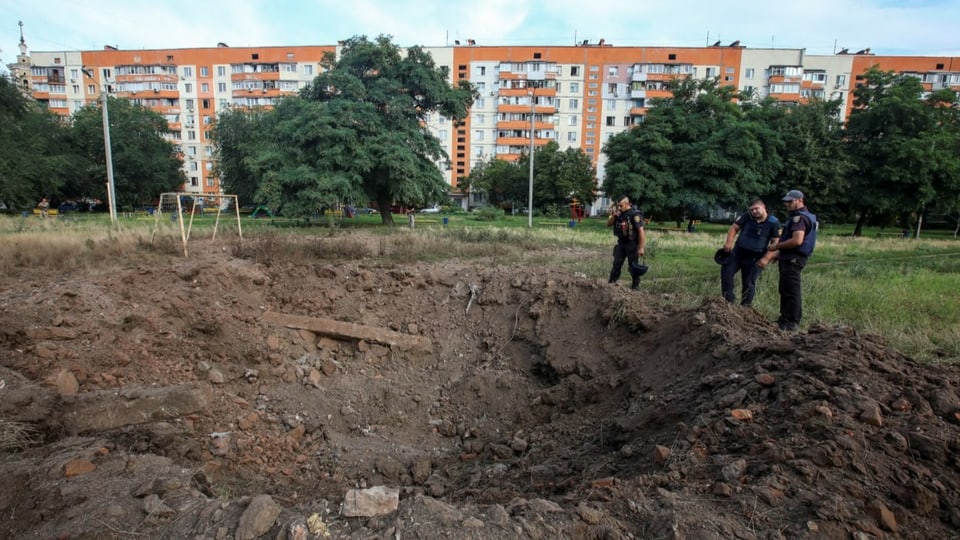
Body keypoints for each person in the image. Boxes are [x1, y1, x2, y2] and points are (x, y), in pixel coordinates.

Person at [758, 190, 817, 332]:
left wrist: (776, 247)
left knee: (791, 290)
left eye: (790, 201)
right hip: (790, 257)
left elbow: (797, 240)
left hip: (793, 258)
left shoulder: (799, 219)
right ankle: (784, 319)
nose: (787, 204)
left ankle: (790, 322)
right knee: (785, 289)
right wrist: (779, 253)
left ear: (800, 200)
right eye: (786, 201)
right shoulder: (807, 216)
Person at [719, 198, 781, 306]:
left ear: (764, 207)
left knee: (748, 283)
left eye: (756, 209)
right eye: (752, 210)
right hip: (737, 253)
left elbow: (775, 243)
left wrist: (766, 258)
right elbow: (734, 228)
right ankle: (728, 303)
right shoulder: (746, 217)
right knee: (726, 274)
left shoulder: (773, 222)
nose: (754, 212)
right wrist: (729, 242)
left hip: (755, 258)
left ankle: (745, 308)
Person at [607, 195, 646, 290]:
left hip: (632, 244)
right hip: (621, 243)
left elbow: (641, 231)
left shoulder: (635, 214)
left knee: (633, 266)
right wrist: (615, 215)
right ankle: (611, 284)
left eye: (621, 206)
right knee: (616, 264)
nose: (619, 208)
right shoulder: (619, 213)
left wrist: (641, 247)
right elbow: (609, 224)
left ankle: (635, 286)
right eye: (618, 206)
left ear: (627, 204)